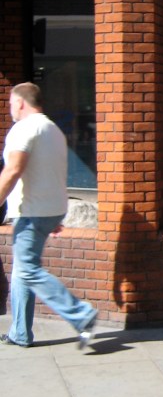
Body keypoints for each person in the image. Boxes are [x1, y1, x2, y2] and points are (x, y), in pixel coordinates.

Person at [0, 83, 98, 348]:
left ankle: (81, 314)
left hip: (33, 210)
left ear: (21, 102)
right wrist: (53, 216)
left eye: (11, 103)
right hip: (50, 209)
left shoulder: (24, 128)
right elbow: (52, 171)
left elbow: (13, 170)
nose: (10, 108)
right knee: (22, 269)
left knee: (28, 269)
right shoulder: (53, 130)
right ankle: (20, 332)